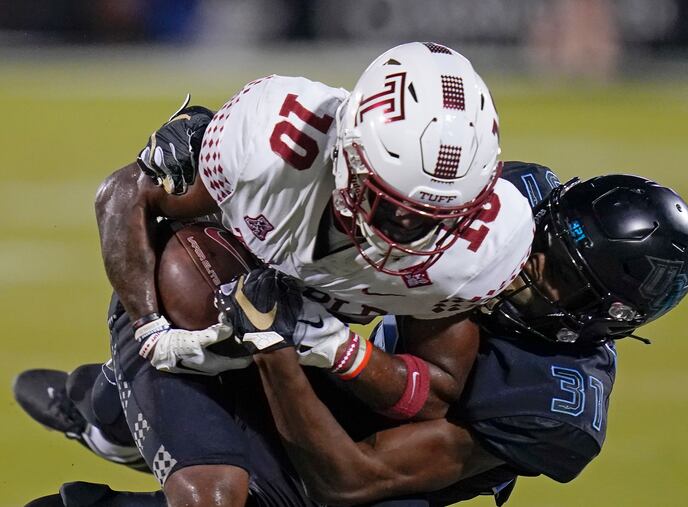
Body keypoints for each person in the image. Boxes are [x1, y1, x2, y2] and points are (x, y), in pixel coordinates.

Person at [18, 168, 688, 506]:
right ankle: (111, 406)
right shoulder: (506, 198)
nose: (522, 267)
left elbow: (352, 477)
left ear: (598, 317)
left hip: (365, 469)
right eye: (538, 245)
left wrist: (282, 343)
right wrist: (210, 150)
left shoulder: (554, 402)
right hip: (333, 354)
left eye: (555, 282)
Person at [54, 41, 534, 506]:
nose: (404, 235)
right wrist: (152, 328)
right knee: (213, 496)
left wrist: (339, 350)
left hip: (285, 354)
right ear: (348, 149)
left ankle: (112, 411)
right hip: (183, 313)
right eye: (386, 202)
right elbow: (123, 193)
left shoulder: (479, 251)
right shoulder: (272, 143)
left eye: (432, 218)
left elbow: (433, 393)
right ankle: (111, 414)